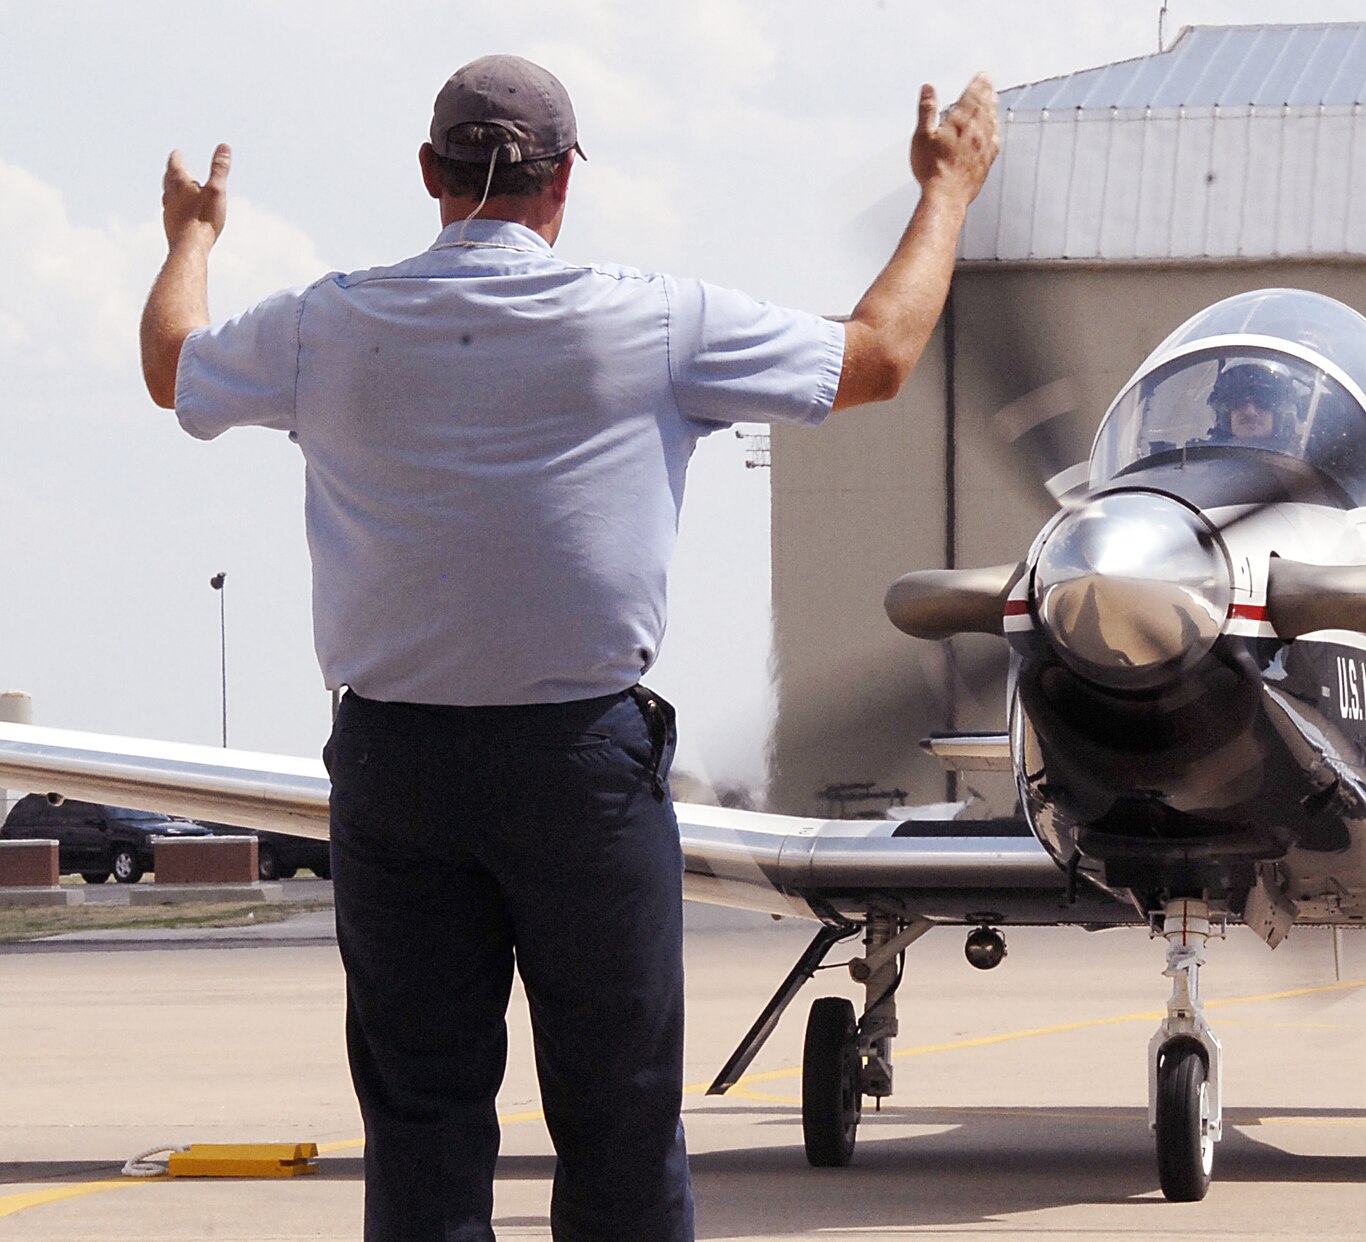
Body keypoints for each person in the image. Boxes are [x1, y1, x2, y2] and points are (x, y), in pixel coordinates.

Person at [137, 54, 997, 1242]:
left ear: (429, 174)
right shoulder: (650, 319)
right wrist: (947, 188)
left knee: (425, 1122)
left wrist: (191, 237)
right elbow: (879, 354)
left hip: (395, 769)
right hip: (580, 774)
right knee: (620, 1116)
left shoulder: (325, 325)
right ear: (564, 184)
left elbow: (172, 365)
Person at [1206, 358, 1304, 449]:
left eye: (1263, 400)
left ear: (1281, 413)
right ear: (1224, 414)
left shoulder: (1307, 463)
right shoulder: (1199, 459)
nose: (1250, 412)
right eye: (1237, 400)